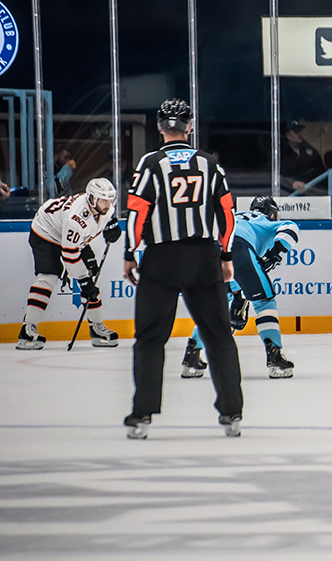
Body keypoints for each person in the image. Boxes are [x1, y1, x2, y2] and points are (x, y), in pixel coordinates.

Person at [122, 98, 243, 440]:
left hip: (162, 259)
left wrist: (130, 253)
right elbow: (228, 214)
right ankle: (232, 412)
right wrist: (226, 255)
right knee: (219, 335)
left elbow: (136, 213)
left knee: (150, 338)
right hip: (205, 257)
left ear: (160, 128)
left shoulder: (150, 163)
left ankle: (143, 414)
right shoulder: (209, 164)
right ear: (189, 128)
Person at [184, 196, 299, 379]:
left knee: (215, 306)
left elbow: (232, 273)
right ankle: (275, 356)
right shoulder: (265, 221)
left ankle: (192, 355)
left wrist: (238, 297)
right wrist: (275, 253)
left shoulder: (237, 215)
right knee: (264, 301)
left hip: (211, 249)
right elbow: (292, 228)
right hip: (239, 247)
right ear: (271, 213)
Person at [16, 178, 122, 350]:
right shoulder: (76, 218)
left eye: (110, 200)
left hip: (69, 236)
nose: (108, 205)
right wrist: (83, 281)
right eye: (104, 200)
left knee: (92, 275)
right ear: (92, 199)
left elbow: (103, 221)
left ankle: (96, 327)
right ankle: (28, 328)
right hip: (46, 232)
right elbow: (69, 255)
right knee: (48, 277)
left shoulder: (105, 207)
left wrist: (111, 225)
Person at [280, 119, 327, 194]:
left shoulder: (311, 152)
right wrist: (291, 183)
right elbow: (272, 176)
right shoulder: (279, 154)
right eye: (296, 131)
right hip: (287, 195)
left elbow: (321, 172)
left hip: (311, 193)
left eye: (300, 131)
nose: (300, 133)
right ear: (287, 134)